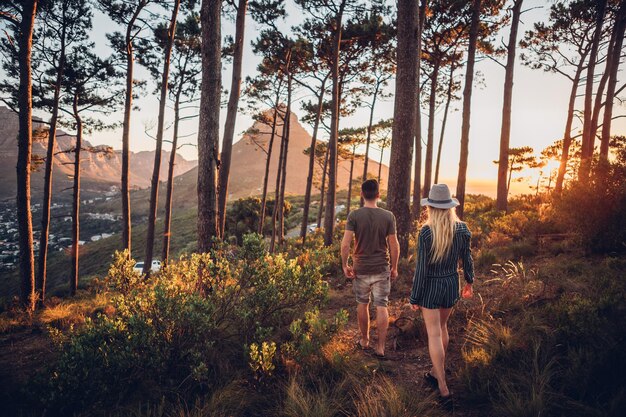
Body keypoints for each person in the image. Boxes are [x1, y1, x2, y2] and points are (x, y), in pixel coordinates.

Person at [409, 183, 475, 401]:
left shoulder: (426, 232)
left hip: (430, 288)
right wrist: (469, 282)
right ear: (449, 207)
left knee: (434, 333)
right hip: (450, 284)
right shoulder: (463, 229)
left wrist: (415, 297)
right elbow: (467, 258)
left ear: (431, 208)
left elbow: (421, 269)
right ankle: (436, 371)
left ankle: (443, 386)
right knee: (443, 328)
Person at [341, 179, 400, 358]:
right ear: (378, 195)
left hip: (361, 268)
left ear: (362, 194)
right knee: (381, 305)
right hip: (381, 267)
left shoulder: (354, 215)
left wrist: (344, 265)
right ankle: (381, 347)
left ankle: (365, 340)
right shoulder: (388, 216)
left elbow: (345, 244)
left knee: (362, 303)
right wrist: (395, 267)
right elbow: (394, 245)